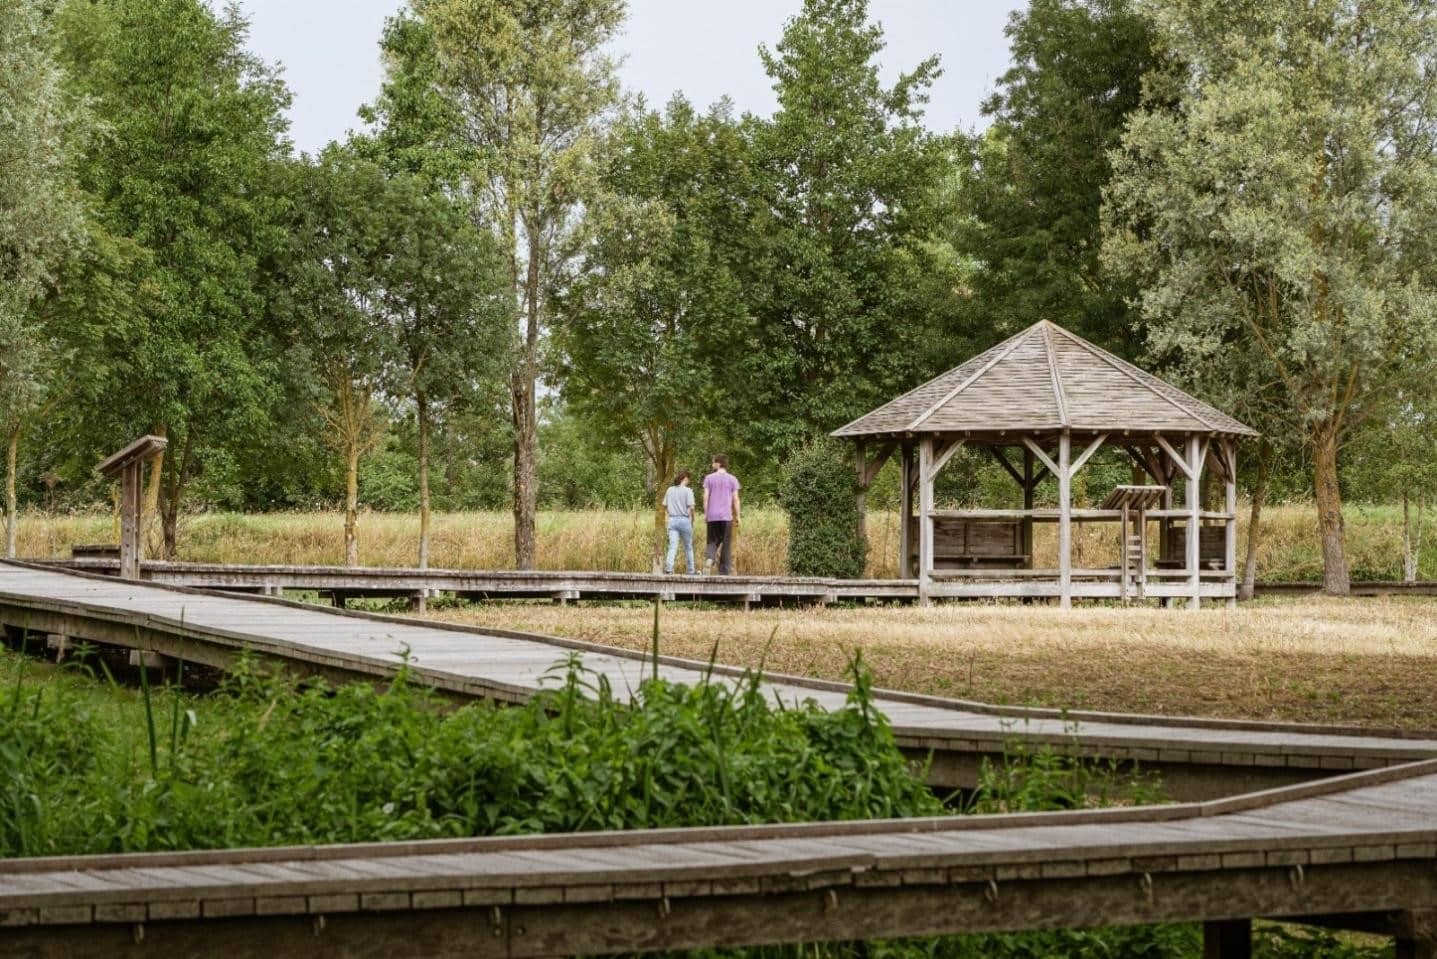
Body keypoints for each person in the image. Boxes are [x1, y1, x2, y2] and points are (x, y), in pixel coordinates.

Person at [702, 454, 741, 575]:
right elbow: (736, 499)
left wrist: (706, 513)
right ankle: (724, 571)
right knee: (726, 543)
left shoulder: (709, 478)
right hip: (726, 516)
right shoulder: (732, 479)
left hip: (712, 516)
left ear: (718, 463)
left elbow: (705, 497)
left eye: (713, 462)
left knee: (712, 541)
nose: (712, 464)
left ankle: (710, 558)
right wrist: (738, 516)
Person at [663, 471, 697, 575]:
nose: (688, 482)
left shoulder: (670, 490)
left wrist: (670, 515)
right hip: (684, 520)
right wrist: (692, 520)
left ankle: (669, 568)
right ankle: (691, 570)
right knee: (688, 546)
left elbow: (664, 505)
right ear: (685, 479)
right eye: (688, 479)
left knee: (673, 545)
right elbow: (691, 507)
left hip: (672, 520)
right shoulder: (688, 491)